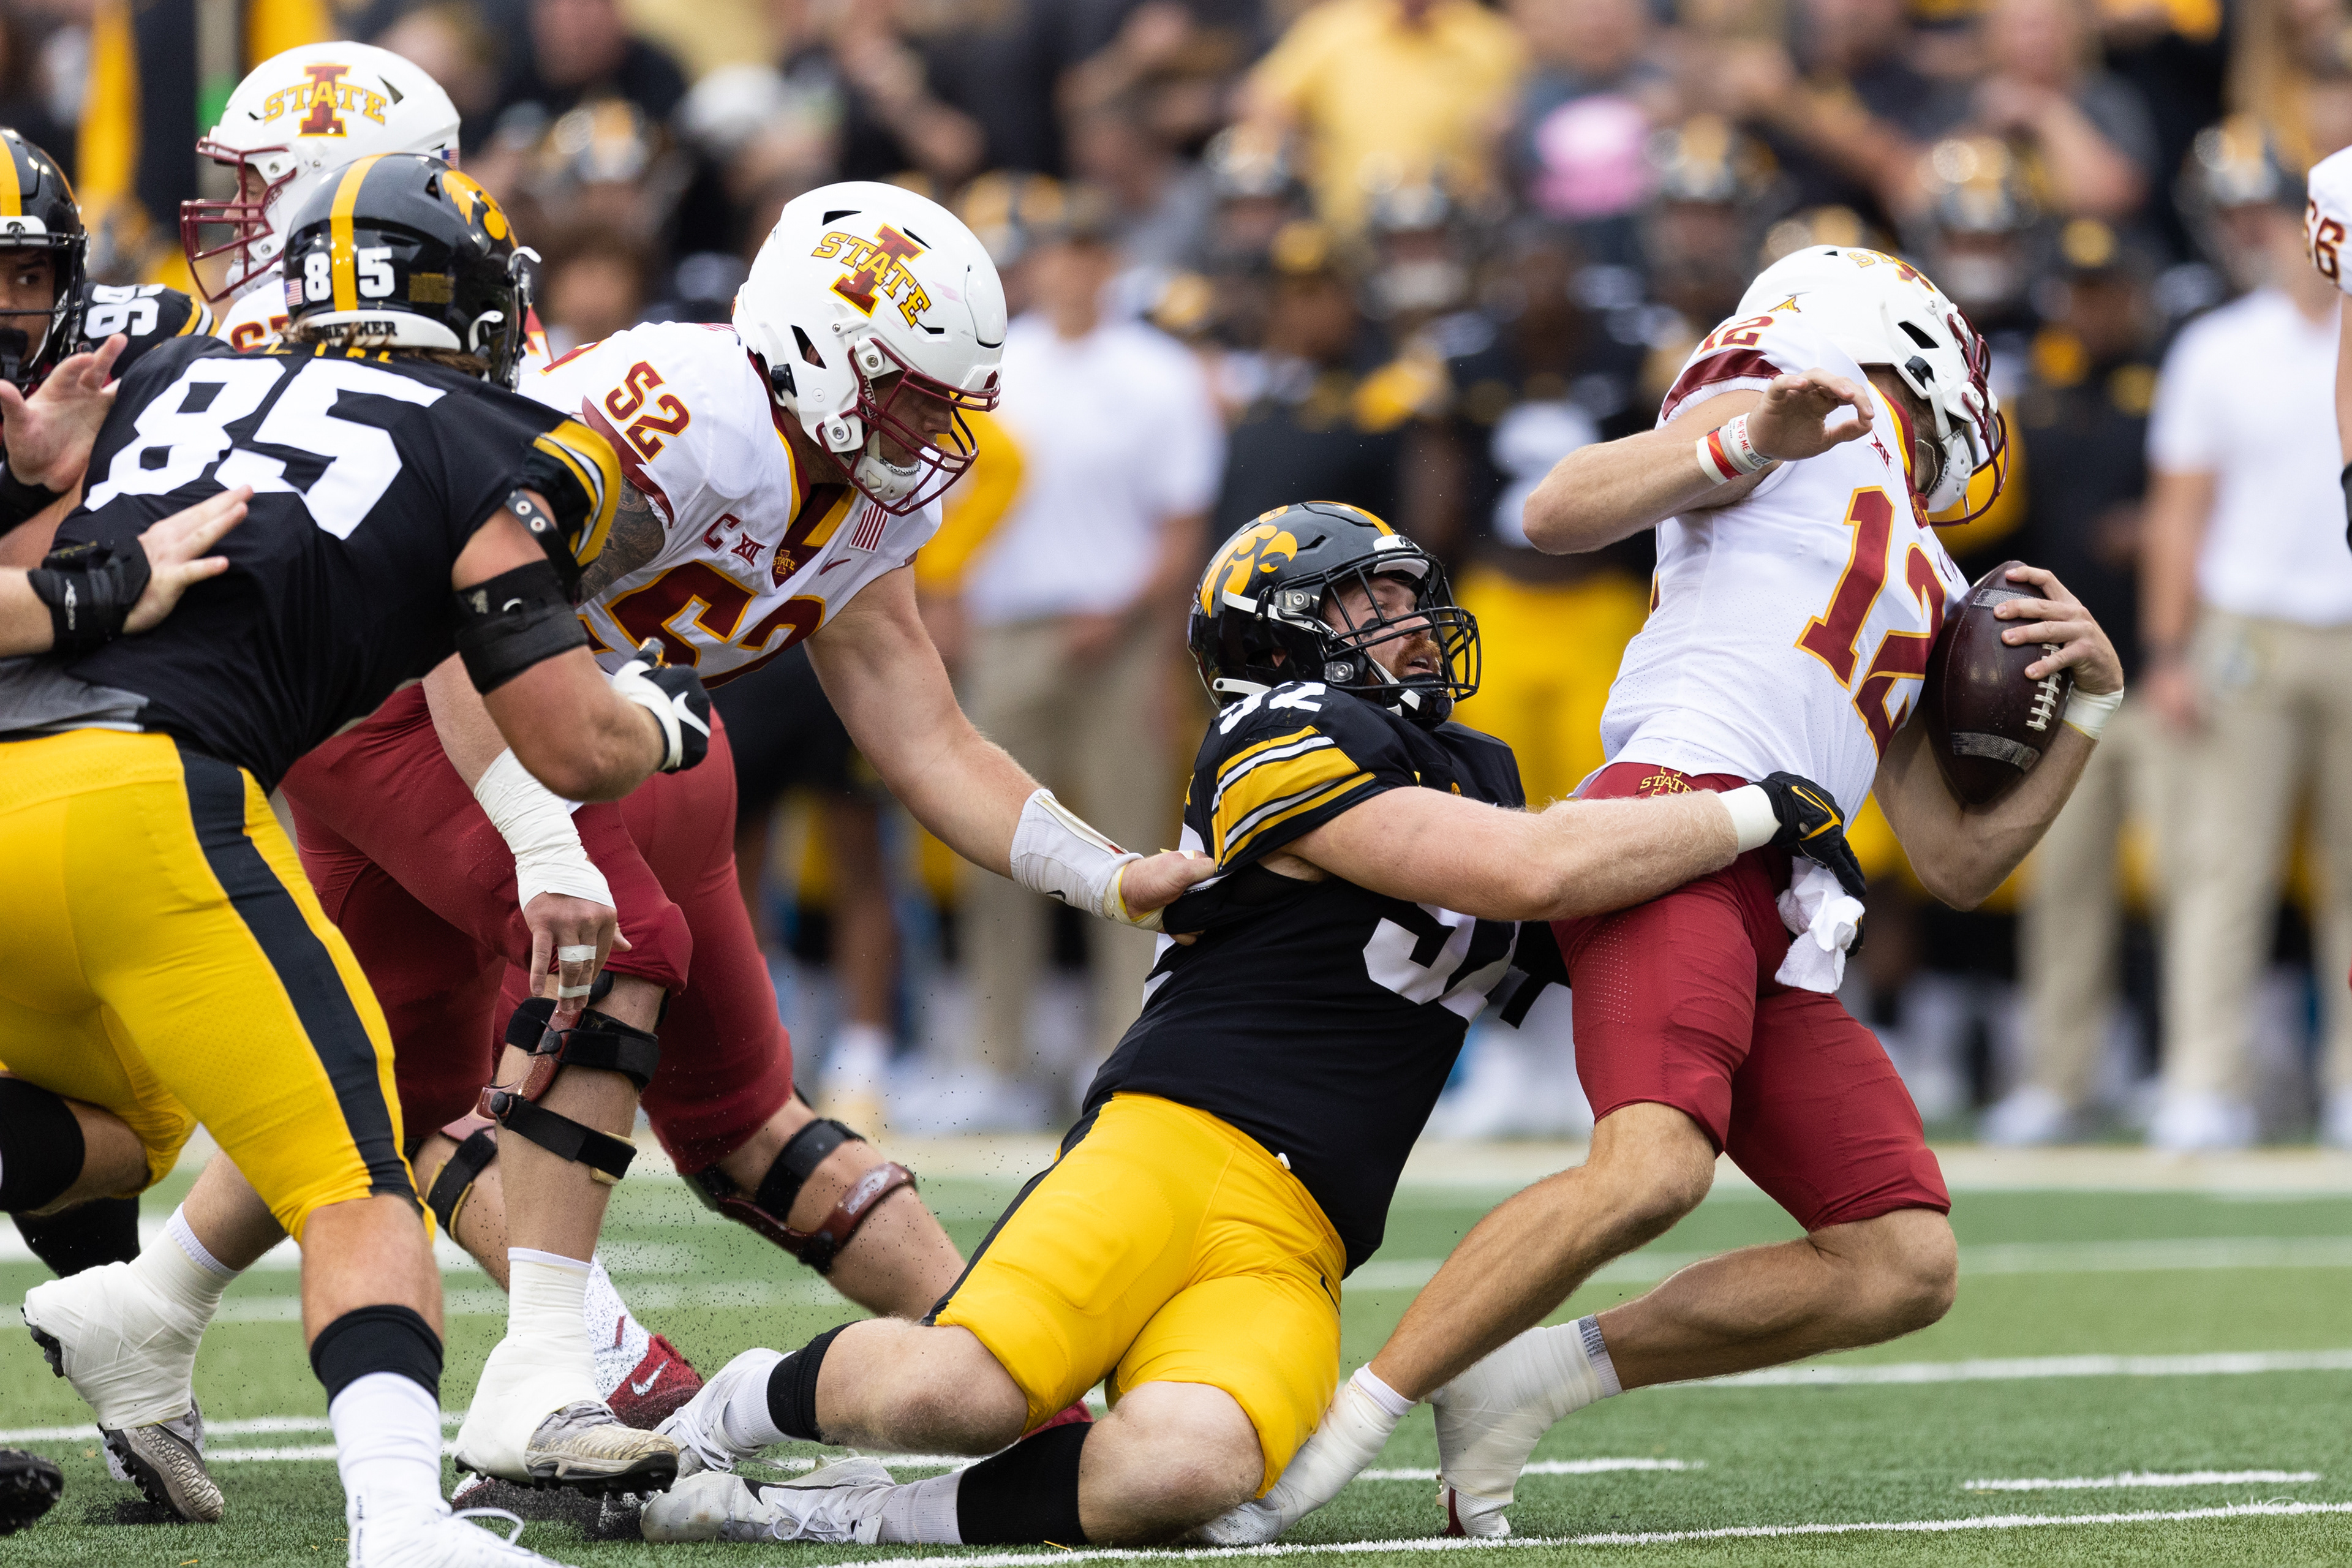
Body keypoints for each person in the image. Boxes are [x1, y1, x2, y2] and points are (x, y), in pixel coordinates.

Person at [28, 178, 1210, 1510]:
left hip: (568, 725)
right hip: (406, 691)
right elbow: (460, 586)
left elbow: (927, 734)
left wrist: (1104, 872)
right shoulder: (681, 407)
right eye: (911, 394)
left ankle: (146, 1302)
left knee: (405, 1065)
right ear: (821, 350)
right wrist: (546, 843)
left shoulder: (866, 494)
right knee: (616, 937)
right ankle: (539, 1373)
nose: (934, 432)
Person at [625, 502, 1865, 1547]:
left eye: (1401, 597)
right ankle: (726, 1412)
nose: (1403, 623)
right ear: (1279, 640)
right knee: (961, 1386)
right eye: (1363, 606)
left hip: (1304, 1231)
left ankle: (851, 1519)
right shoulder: (1273, 734)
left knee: (1185, 1472)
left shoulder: (1475, 763)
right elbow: (1532, 871)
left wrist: (1771, 882)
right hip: (1170, 1145)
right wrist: (1754, 810)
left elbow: (1603, 921)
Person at [1207, 246, 2125, 1543]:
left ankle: (1528, 1377)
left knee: (1900, 1260)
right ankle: (1328, 1436)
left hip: (1785, 894)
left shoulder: (1930, 578)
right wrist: (1750, 437)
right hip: (1666, 822)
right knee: (1651, 1168)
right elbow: (1558, 507)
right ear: (1910, 348)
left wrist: (2090, 710)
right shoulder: (1784, 399)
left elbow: (1961, 860)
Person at [4, 151, 705, 1566]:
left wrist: (52, 484)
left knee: (117, 1137)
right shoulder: (493, 437)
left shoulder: (159, 375)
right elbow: (569, 742)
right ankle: (402, 1521)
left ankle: (136, 1321)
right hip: (147, 797)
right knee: (355, 1181)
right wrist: (659, 728)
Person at [956, 189, 1223, 1117]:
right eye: (1057, 253)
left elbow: (1183, 521)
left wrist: (1131, 616)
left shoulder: (1158, 374)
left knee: (1127, 847)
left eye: (1087, 252)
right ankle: (997, 1060)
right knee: (995, 841)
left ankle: (1122, 1050)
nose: (1071, 270)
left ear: (1109, 263)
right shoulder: (1000, 365)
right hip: (1008, 625)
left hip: (1123, 629)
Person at [2132, 149, 2352, 1149]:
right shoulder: (2217, 347)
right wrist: (2170, 649)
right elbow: (2181, 511)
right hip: (2250, 630)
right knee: (2225, 866)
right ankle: (2204, 1079)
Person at [1983, 219, 2167, 1145]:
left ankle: (2182, 1067)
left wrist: (2159, 529)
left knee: (2183, 880)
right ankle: (2061, 1074)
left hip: (2162, 666)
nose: (2094, 308)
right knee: (2066, 888)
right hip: (2060, 681)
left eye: (2109, 291)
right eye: (2079, 290)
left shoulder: (2171, 380)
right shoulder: (2032, 397)